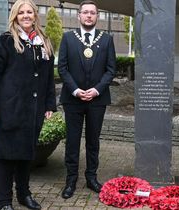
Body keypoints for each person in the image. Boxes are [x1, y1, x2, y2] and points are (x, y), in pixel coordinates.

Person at [0, 0, 56, 209]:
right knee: (5, 157)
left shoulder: (44, 41)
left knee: (26, 155)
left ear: (35, 15)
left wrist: (49, 104)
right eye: (21, 12)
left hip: (33, 110)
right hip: (8, 109)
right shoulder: (6, 41)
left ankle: (24, 194)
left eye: (29, 12)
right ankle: (4, 201)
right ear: (15, 16)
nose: (25, 15)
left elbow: (48, 77)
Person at [58, 0, 116, 199]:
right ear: (79, 16)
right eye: (85, 12)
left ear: (97, 16)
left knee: (93, 141)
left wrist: (96, 90)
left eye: (92, 12)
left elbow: (110, 70)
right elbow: (62, 68)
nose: (89, 15)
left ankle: (91, 178)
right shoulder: (67, 38)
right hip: (73, 100)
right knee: (72, 142)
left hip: (97, 100)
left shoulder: (107, 39)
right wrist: (75, 90)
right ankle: (70, 181)